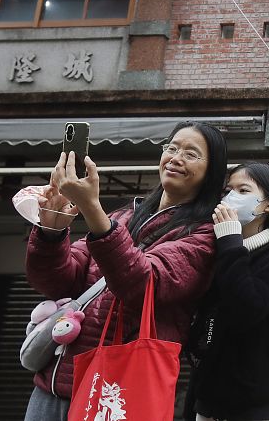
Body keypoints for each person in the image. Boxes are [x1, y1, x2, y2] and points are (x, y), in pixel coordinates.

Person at [23, 121, 225, 421]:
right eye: (171, 148)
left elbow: (142, 284)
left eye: (191, 154)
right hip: (53, 386)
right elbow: (58, 283)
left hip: (114, 393)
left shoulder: (205, 235)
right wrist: (51, 233)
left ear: (212, 171)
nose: (176, 158)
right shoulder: (124, 215)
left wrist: (92, 208)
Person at [186, 162, 269, 421]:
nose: (231, 198)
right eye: (228, 190)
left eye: (243, 190)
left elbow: (247, 307)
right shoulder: (217, 246)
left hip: (262, 398)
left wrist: (231, 242)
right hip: (210, 397)